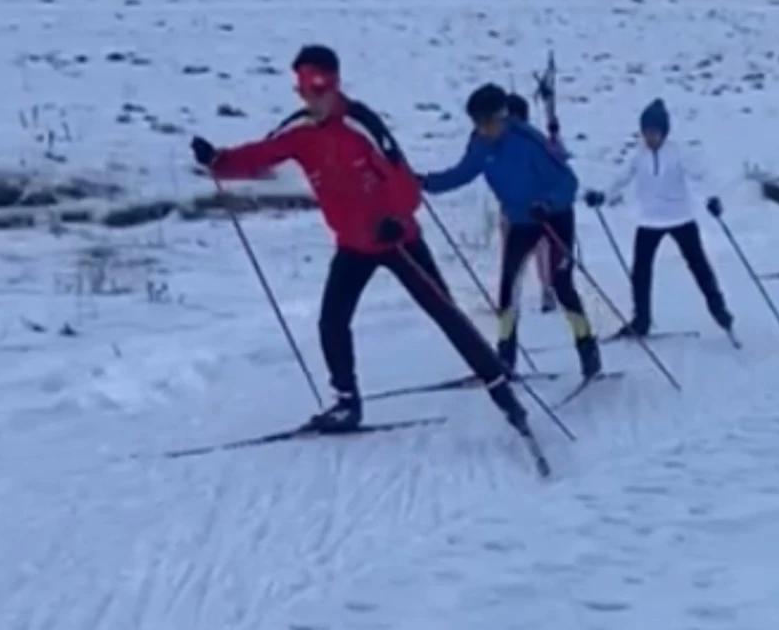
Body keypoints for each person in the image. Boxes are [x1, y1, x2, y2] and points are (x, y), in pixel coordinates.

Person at [190, 46, 529, 437]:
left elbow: (404, 183)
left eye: (319, 87)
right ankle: (346, 404)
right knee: (332, 322)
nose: (312, 97)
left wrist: (396, 219)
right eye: (304, 89)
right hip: (353, 244)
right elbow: (261, 154)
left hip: (398, 239)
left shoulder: (361, 124)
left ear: (335, 84)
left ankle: (504, 395)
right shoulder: (298, 130)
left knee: (445, 313)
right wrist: (218, 160)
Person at [420, 83, 602, 380]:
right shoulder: (479, 144)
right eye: (477, 123)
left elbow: (568, 182)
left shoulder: (528, 141)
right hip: (521, 221)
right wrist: (424, 183)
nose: (482, 129)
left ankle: (587, 350)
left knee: (561, 284)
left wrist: (548, 203)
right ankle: (505, 359)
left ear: (502, 117)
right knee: (507, 289)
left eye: (487, 122)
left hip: (554, 217)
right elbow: (462, 173)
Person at [583, 98, 733, 339]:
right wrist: (602, 195)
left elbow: (701, 176)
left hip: (680, 218)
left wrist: (712, 198)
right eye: (646, 133)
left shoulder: (678, 153)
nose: (650, 138)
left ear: (664, 132)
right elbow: (621, 178)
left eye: (654, 132)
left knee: (699, 266)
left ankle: (720, 311)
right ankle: (641, 320)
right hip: (649, 221)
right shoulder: (639, 155)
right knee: (640, 271)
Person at [501, 92, 559, 313]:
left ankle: (547, 291)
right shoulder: (499, 145)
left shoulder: (535, 142)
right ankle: (509, 296)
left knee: (542, 252)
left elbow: (557, 156)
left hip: (536, 209)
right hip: (511, 210)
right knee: (511, 254)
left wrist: (554, 133)